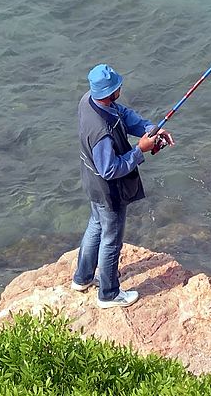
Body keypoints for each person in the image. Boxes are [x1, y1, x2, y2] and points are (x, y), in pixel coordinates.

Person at [71, 63, 175, 308]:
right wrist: (140, 150)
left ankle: (82, 278)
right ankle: (108, 294)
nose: (121, 89)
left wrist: (150, 129)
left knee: (95, 226)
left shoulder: (89, 101)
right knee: (111, 240)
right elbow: (110, 169)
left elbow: (123, 115)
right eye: (117, 87)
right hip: (109, 192)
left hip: (91, 184)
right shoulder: (101, 133)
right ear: (109, 93)